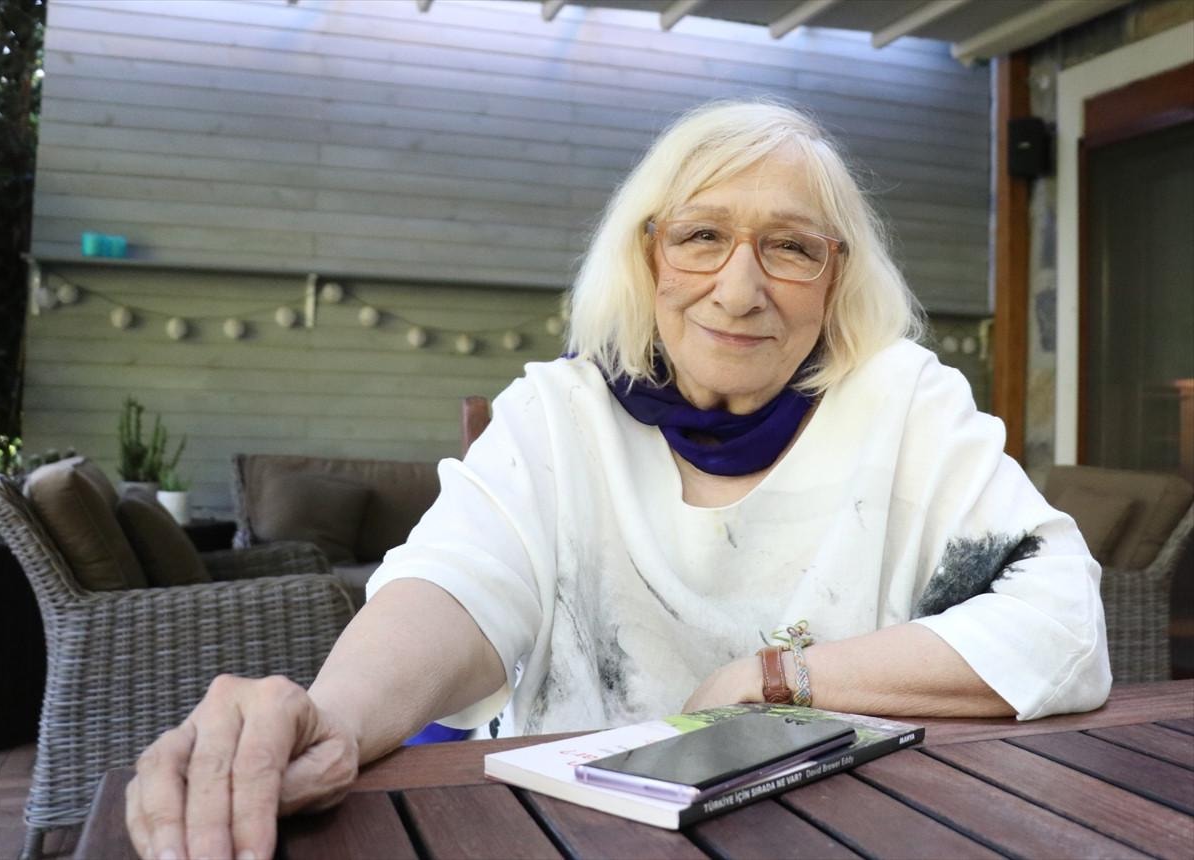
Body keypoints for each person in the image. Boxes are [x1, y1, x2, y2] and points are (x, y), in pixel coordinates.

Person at [126, 100, 1110, 859]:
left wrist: (773, 680)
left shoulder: (903, 400)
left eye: (790, 247)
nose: (741, 288)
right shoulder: (560, 412)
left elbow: (1062, 618)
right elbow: (455, 585)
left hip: (846, 833)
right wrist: (332, 718)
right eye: (702, 236)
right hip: (571, 838)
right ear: (648, 254)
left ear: (836, 273)